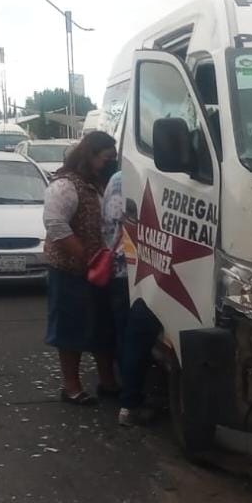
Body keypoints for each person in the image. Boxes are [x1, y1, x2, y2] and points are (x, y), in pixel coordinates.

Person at [42, 130, 119, 406]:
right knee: (70, 329)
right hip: (70, 269)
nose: (111, 163)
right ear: (90, 156)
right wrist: (86, 257)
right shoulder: (65, 185)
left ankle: (108, 382)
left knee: (103, 327)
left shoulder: (100, 183)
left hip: (101, 269)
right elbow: (55, 225)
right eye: (106, 158)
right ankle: (71, 387)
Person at [101, 168, 160, 426]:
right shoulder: (124, 180)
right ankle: (130, 402)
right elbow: (117, 224)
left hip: (129, 270)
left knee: (128, 335)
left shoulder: (122, 178)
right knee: (133, 337)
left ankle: (131, 396)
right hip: (128, 270)